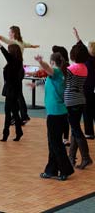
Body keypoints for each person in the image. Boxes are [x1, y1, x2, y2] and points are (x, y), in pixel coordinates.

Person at [35, 53, 74, 181]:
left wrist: (41, 62)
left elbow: (48, 69)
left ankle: (65, 170)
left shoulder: (56, 72)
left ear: (52, 62)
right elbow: (47, 75)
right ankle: (51, 170)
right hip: (59, 113)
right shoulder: (61, 73)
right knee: (53, 143)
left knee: (55, 144)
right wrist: (36, 84)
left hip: (55, 115)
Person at [0, 26, 39, 125]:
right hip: (19, 68)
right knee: (17, 94)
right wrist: (33, 46)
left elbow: (4, 40)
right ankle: (18, 116)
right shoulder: (21, 42)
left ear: (14, 33)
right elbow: (27, 44)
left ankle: (22, 116)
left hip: (15, 69)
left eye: (10, 32)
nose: (9, 34)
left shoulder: (14, 43)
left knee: (17, 95)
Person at [65, 30, 93, 169]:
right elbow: (85, 53)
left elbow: (62, 76)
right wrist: (77, 38)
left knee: (76, 129)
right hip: (80, 100)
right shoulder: (84, 67)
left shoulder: (73, 68)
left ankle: (86, 157)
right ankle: (71, 158)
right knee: (75, 128)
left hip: (72, 101)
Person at [0, 37, 23, 141]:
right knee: (14, 112)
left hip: (12, 91)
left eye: (9, 51)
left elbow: (5, 54)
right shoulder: (16, 63)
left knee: (8, 112)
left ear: (12, 53)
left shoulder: (15, 63)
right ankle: (19, 132)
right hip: (12, 90)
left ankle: (5, 134)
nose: (8, 53)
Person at [73, 28, 95, 140]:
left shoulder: (87, 58)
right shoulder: (90, 58)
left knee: (87, 111)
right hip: (92, 88)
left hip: (87, 88)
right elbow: (82, 46)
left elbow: (81, 47)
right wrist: (77, 37)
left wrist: (77, 37)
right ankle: (89, 132)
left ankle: (89, 132)